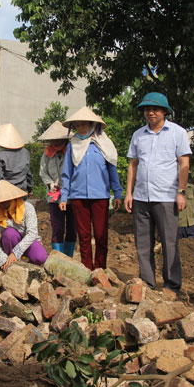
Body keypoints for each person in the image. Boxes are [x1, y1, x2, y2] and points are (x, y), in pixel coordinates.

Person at [124, 92, 191, 297]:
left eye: (154, 109)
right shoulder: (138, 135)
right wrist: (129, 193)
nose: (150, 112)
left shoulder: (177, 133)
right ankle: (147, 282)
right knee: (143, 242)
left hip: (166, 197)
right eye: (146, 109)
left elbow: (184, 163)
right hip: (142, 196)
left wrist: (181, 192)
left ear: (164, 111)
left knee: (169, 242)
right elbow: (133, 164)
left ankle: (171, 284)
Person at [60, 106, 123, 270]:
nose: (80, 128)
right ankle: (87, 268)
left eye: (83, 124)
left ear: (92, 125)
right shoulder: (73, 146)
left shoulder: (104, 145)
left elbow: (112, 169)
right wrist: (64, 196)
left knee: (102, 235)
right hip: (78, 196)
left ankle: (100, 269)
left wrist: (117, 193)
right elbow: (67, 173)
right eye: (77, 125)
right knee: (84, 235)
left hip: (100, 195)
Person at [0, 180, 48, 270]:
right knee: (9, 233)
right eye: (1, 201)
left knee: (41, 257)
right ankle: (10, 262)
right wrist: (1, 255)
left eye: (7, 200)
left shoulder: (27, 208)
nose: (4, 203)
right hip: (9, 243)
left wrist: (16, 252)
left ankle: (23, 260)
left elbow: (32, 233)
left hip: (29, 242)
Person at [39, 120, 76, 257]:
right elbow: (43, 172)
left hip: (72, 196)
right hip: (54, 197)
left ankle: (69, 257)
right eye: (53, 140)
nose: (56, 142)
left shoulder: (72, 152)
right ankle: (58, 258)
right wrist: (50, 184)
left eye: (59, 139)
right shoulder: (47, 154)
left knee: (72, 228)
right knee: (57, 228)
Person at [0, 123, 33, 193]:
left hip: (6, 195)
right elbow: (28, 173)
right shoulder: (25, 152)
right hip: (21, 191)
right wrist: (29, 188)